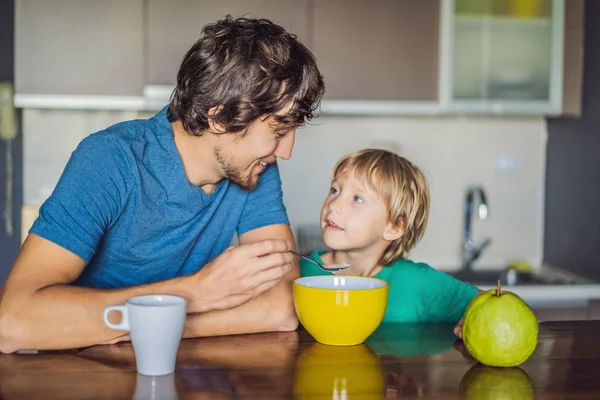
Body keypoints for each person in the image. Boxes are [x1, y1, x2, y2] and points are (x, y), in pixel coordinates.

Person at [0, 15, 325, 353]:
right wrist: (195, 293)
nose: (286, 152)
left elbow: (281, 308)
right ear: (219, 117)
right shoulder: (110, 159)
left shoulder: (255, 168)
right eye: (277, 131)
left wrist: (158, 325)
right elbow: (14, 322)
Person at [298, 149, 481, 333]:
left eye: (357, 198)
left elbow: (491, 300)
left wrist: (476, 315)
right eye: (334, 190)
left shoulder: (417, 283)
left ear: (394, 227)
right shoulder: (297, 273)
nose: (333, 205)